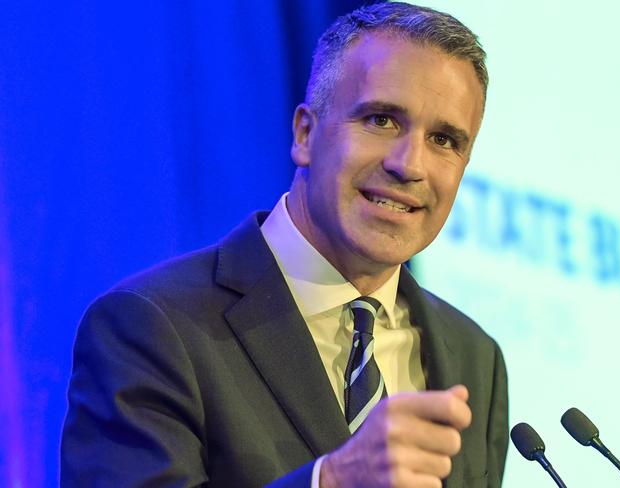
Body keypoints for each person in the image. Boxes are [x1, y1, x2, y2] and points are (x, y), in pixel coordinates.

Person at [61, 2, 508, 487]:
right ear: (305, 134)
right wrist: (331, 481)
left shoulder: (474, 356)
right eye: (381, 120)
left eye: (444, 140)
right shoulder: (152, 327)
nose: (410, 164)